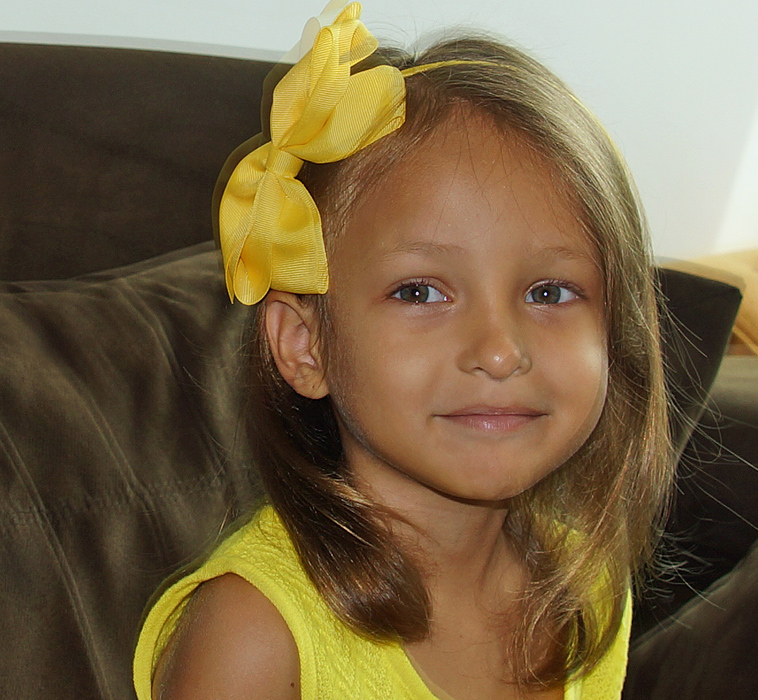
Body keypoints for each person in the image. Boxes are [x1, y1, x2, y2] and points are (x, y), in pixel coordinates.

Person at [133, 3, 672, 699]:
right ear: (305, 345)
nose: (500, 352)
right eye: (420, 292)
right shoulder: (255, 633)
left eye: (549, 291)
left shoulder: (584, 588)